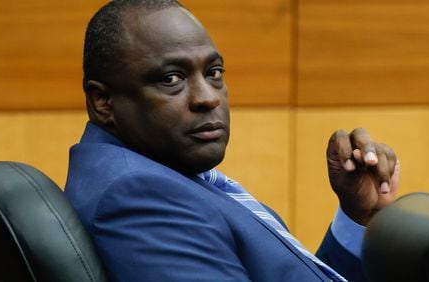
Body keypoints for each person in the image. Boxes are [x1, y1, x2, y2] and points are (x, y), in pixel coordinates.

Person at [64, 1, 400, 281]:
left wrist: (357, 216)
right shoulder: (139, 196)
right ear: (103, 102)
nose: (208, 98)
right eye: (171, 79)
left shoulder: (156, 172)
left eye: (214, 73)